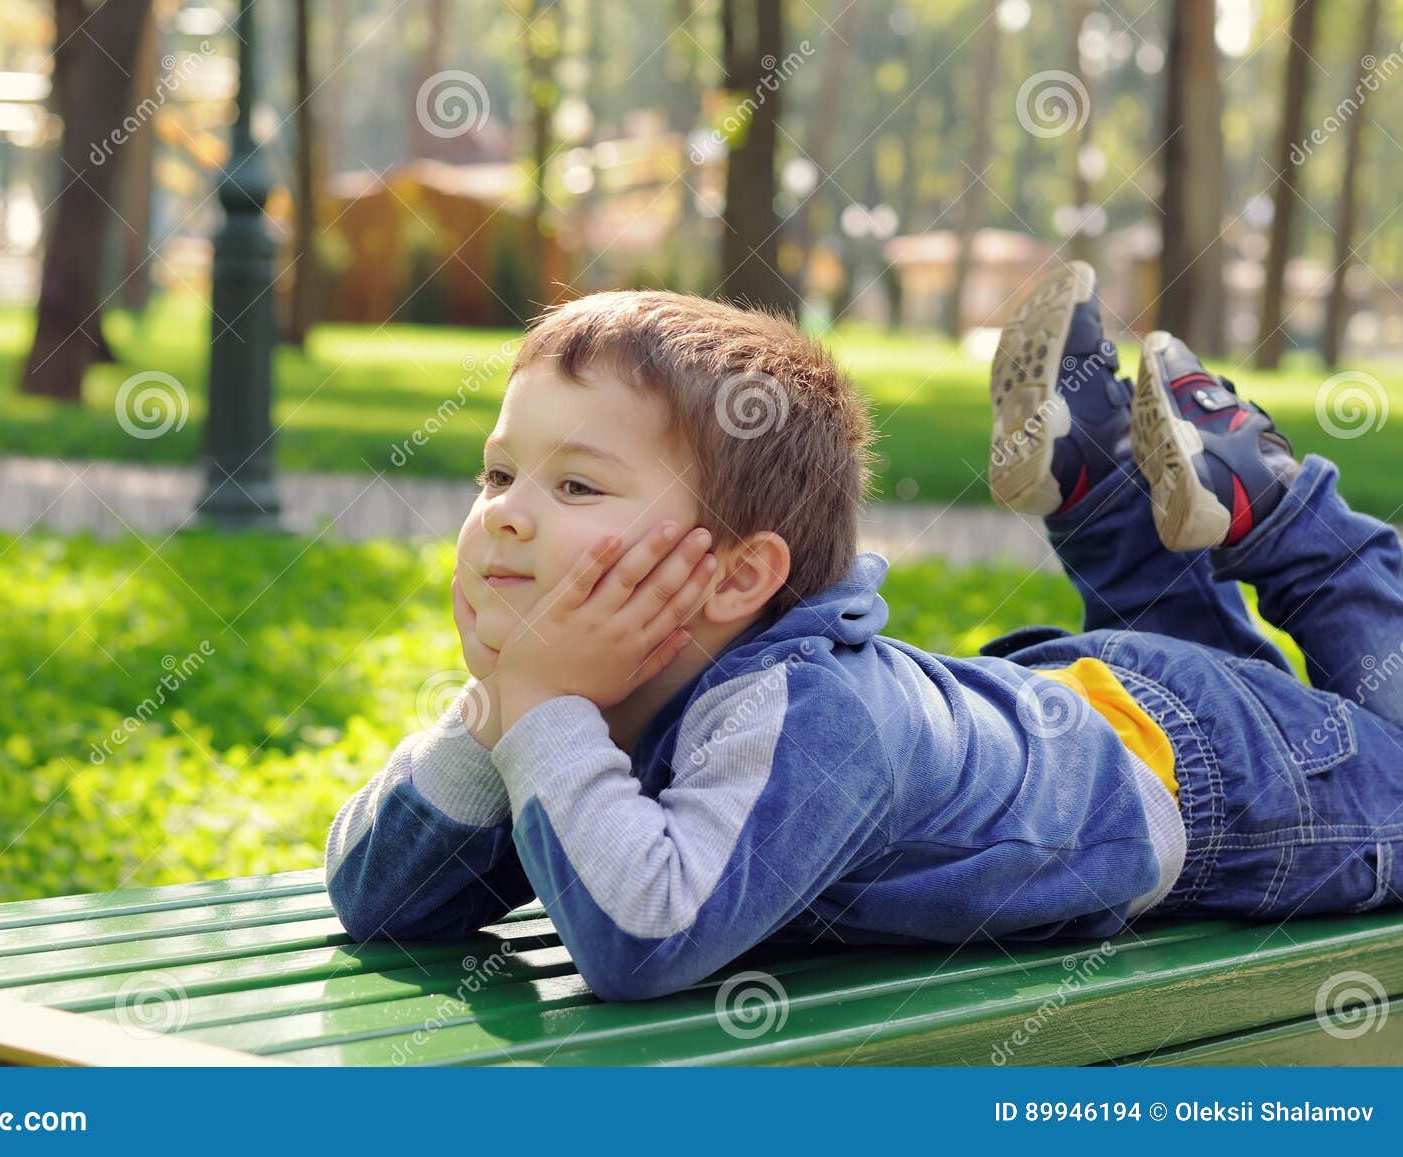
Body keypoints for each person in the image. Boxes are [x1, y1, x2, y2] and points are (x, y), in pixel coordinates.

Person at [324, 269, 1403, 1001]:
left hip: (1218, 781)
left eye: (574, 484)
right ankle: (1093, 482)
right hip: (1104, 707)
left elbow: (644, 935)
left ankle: (1288, 514)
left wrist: (546, 708)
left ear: (738, 574)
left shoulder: (813, 715)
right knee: (1218, 667)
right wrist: (504, 706)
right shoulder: (600, 682)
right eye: (498, 472)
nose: (506, 512)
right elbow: (385, 900)